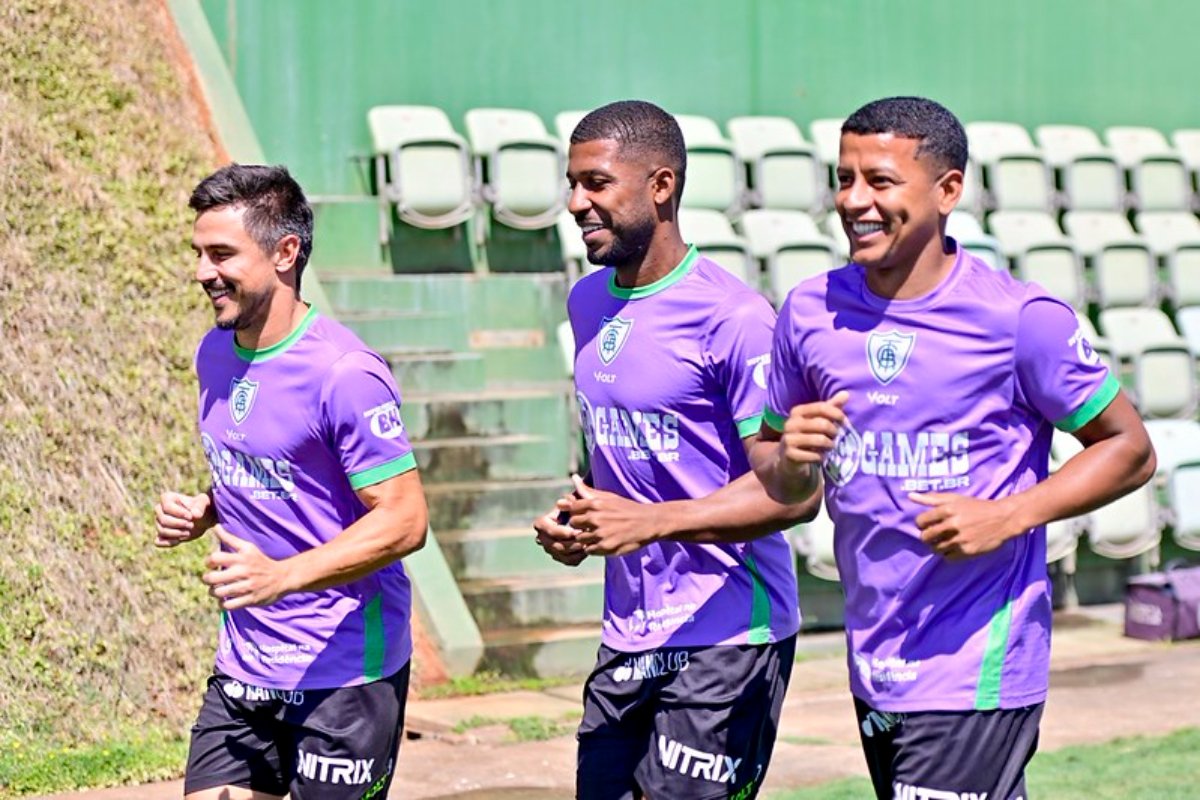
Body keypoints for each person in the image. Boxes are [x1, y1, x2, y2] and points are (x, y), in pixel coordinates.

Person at [752, 96, 1156, 800]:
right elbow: (778, 478)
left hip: (976, 661)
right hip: (874, 659)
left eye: (880, 181)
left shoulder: (1019, 319)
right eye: (843, 179)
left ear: (947, 190)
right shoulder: (808, 312)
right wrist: (791, 462)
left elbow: (1130, 448)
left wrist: (1011, 514)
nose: (854, 201)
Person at [533, 100, 820, 800]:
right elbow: (626, 463)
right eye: (572, 184)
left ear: (661, 186)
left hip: (729, 634)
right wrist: (581, 522)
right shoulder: (586, 303)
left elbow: (798, 494)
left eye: (596, 183)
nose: (576, 203)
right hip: (628, 634)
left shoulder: (736, 319)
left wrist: (652, 523)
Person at [153, 164, 429, 800]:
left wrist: (281, 576)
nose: (202, 271)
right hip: (245, 668)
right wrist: (209, 508)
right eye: (197, 252)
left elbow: (405, 518)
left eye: (221, 253)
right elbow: (280, 474)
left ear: (285, 252)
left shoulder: (345, 374)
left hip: (344, 673)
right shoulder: (214, 353)